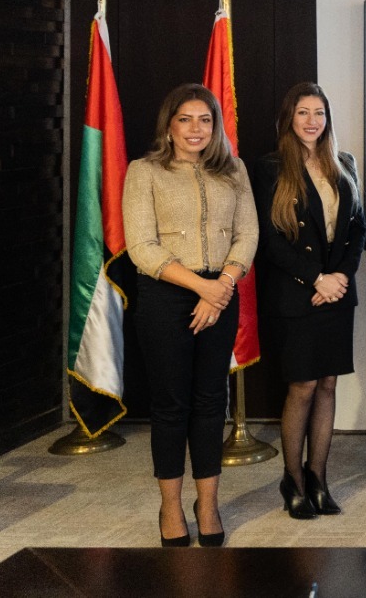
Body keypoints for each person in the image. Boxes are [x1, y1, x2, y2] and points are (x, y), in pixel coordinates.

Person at [123, 83, 258, 548]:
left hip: (221, 291)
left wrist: (221, 286)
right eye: (185, 119)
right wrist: (203, 288)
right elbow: (141, 247)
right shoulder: (144, 171)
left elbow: (247, 234)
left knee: (210, 402)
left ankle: (208, 505)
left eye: (205, 119)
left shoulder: (234, 170)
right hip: (166, 296)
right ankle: (170, 507)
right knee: (171, 405)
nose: (195, 129)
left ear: (215, 126)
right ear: (169, 126)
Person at [253, 83, 365, 519]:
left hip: (337, 292)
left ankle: (318, 478)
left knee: (328, 384)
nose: (312, 121)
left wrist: (340, 277)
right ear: (289, 118)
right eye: (303, 112)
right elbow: (270, 240)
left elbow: (358, 229)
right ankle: (293, 480)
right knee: (302, 387)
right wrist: (316, 278)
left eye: (319, 112)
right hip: (297, 294)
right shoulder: (270, 168)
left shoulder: (344, 163)